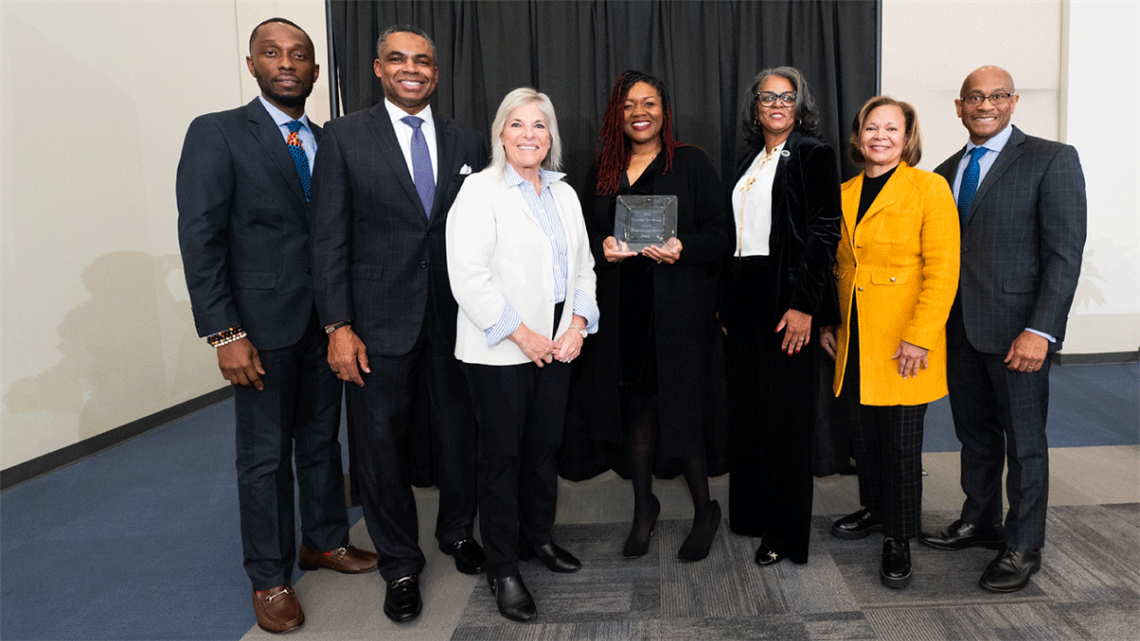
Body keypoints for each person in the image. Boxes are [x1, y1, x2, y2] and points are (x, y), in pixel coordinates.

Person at [175, 17, 377, 634]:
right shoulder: (217, 134)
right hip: (258, 332)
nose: (286, 63)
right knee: (263, 460)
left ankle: (322, 541)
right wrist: (224, 332)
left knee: (321, 443)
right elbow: (200, 238)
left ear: (316, 71)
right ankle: (268, 576)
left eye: (299, 55)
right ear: (252, 63)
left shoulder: (328, 139)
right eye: (273, 53)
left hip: (326, 327)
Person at [308, 24, 488, 623]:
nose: (413, 69)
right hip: (375, 326)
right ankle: (401, 565)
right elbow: (328, 237)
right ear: (379, 68)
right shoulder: (343, 137)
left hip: (458, 321)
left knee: (460, 434)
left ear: (436, 72)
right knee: (379, 446)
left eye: (424, 61)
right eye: (399, 60)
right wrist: (338, 325)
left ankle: (458, 532)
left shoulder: (466, 140)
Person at [918, 66, 1086, 593]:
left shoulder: (1051, 159)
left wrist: (1041, 330)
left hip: (1020, 334)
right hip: (961, 330)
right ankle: (981, 520)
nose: (984, 104)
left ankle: (1024, 543)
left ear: (1013, 102)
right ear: (959, 106)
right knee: (976, 435)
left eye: (995, 96)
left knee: (1026, 443)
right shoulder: (943, 171)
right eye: (974, 97)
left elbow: (1063, 255)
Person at [446, 88, 598, 622]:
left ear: (550, 136)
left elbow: (584, 267)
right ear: (500, 134)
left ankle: (539, 539)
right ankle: (503, 567)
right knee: (503, 457)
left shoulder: (565, 194)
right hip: (501, 351)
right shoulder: (478, 191)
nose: (529, 134)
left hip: (559, 345)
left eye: (539, 125)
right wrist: (525, 336)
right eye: (518, 124)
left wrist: (578, 323)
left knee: (543, 449)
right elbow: (468, 277)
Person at [580, 71, 733, 562]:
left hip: (678, 313)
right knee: (637, 411)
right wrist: (603, 248)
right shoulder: (603, 169)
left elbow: (721, 236)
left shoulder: (690, 163)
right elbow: (582, 236)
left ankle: (705, 509)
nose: (639, 112)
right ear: (616, 114)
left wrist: (682, 247)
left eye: (649, 103)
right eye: (628, 105)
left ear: (665, 111)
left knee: (682, 410)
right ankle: (643, 506)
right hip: (623, 311)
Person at [820, 97, 959, 589]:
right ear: (859, 137)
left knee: (901, 443)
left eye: (891, 128)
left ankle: (899, 537)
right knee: (865, 436)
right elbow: (838, 268)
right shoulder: (844, 191)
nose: (879, 136)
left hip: (905, 339)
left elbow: (943, 273)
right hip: (854, 335)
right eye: (870, 128)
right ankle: (875, 510)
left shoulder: (929, 188)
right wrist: (829, 324)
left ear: (907, 137)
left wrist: (921, 338)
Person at [718, 67, 842, 568]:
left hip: (787, 300)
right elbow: (739, 239)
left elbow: (824, 233)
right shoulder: (750, 158)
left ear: (799, 105)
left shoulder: (813, 153)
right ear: (755, 106)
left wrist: (804, 307)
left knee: (787, 423)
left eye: (786, 97)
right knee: (749, 417)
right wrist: (727, 304)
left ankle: (788, 534)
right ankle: (753, 515)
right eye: (767, 97)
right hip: (745, 305)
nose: (776, 104)